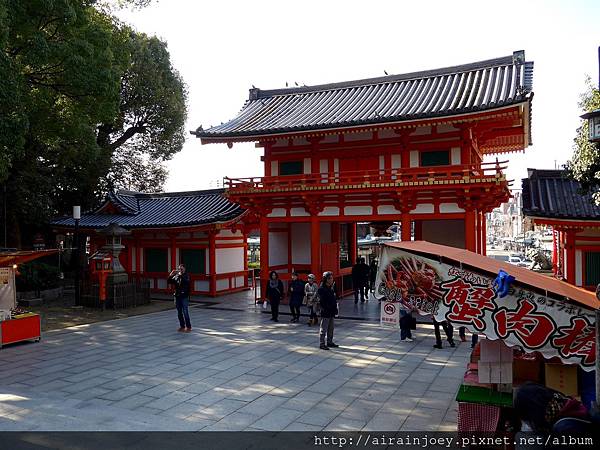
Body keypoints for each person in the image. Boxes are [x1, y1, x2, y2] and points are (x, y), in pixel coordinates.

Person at [167, 263, 191, 332]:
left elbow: (186, 282)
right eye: (179, 269)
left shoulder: (186, 275)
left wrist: (181, 275)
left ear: (184, 269)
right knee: (179, 312)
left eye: (181, 269)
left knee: (185, 311)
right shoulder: (177, 275)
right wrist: (171, 274)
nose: (180, 270)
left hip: (184, 296)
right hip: (177, 296)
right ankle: (182, 326)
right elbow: (169, 281)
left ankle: (188, 327)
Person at [318, 271, 339, 350]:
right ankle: (322, 343)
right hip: (325, 311)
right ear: (326, 279)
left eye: (332, 278)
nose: (332, 279)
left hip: (331, 311)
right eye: (330, 278)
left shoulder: (331, 288)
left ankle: (329, 342)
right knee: (324, 328)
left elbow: (335, 298)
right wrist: (327, 308)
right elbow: (322, 301)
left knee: (331, 328)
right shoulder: (322, 289)